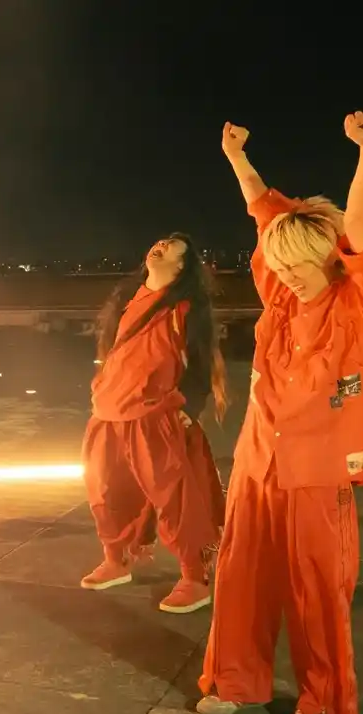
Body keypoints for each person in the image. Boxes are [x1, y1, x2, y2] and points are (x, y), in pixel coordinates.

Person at [197, 114, 363, 714]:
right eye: (278, 266)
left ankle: (319, 699)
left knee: (316, 585)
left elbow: (358, 221)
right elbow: (263, 210)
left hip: (319, 465)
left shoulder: (361, 302)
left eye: (297, 266)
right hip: (260, 457)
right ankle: (235, 680)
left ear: (328, 258)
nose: (284, 276)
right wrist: (237, 157)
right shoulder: (282, 297)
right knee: (241, 574)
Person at [79, 234, 228, 614]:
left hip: (154, 415)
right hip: (109, 413)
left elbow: (200, 362)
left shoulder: (185, 309)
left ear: (182, 266)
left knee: (176, 500)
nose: (161, 244)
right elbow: (112, 353)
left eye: (172, 245)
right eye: (160, 240)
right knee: (105, 491)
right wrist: (102, 387)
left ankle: (195, 577)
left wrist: (190, 405)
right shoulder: (126, 300)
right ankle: (116, 560)